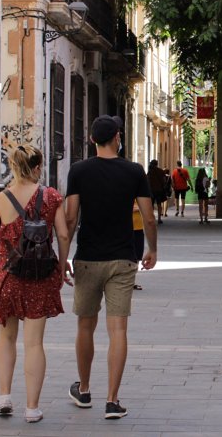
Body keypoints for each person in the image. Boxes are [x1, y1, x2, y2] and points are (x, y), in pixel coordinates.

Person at [59, 115, 157, 420]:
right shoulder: (134, 171)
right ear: (117, 137)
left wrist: (63, 258)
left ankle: (85, 390)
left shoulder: (78, 171)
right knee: (118, 330)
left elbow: (71, 219)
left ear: (91, 140)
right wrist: (153, 248)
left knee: (85, 325)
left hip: (88, 257)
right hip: (122, 259)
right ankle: (113, 400)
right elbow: (148, 216)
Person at [0, 145, 65, 423]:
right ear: (37, 167)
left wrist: (2, 236)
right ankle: (32, 408)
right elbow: (62, 233)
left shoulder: (1, 199)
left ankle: (4, 397)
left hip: (8, 275)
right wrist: (62, 266)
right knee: (34, 344)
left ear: (14, 167)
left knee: (6, 338)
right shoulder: (50, 196)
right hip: (40, 277)